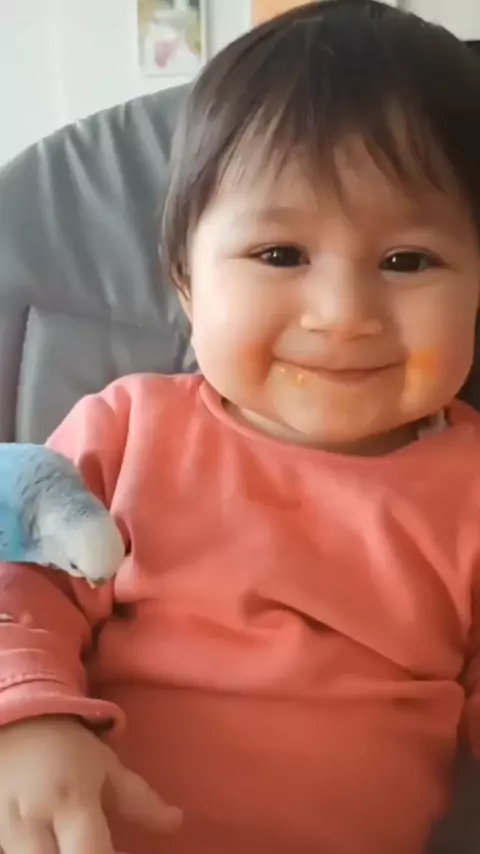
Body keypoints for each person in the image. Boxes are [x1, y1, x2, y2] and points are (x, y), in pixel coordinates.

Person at [1, 1, 480, 852]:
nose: (343, 315)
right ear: (187, 286)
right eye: (280, 255)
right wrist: (27, 722)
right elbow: (18, 584)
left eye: (406, 261)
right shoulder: (128, 430)